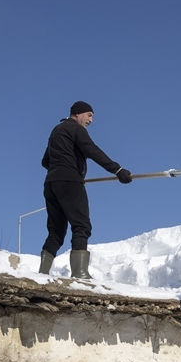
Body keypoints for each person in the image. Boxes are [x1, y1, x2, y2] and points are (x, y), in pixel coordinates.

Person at [39, 101, 131, 279]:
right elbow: (91, 150)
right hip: (69, 181)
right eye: (89, 115)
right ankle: (80, 273)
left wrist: (60, 170)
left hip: (51, 183)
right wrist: (117, 170)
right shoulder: (76, 129)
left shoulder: (56, 131)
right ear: (77, 113)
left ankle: (42, 274)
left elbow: (45, 161)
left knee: (56, 231)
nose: (91, 120)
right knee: (81, 225)